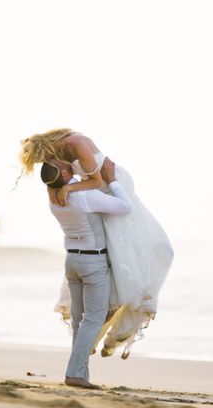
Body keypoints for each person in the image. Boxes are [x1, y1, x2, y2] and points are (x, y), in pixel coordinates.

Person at [20, 128, 174, 359]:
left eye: (46, 159)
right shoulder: (60, 158)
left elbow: (97, 179)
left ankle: (101, 332)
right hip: (98, 195)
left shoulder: (77, 143)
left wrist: (68, 187)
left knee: (155, 249)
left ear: (48, 150)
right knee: (116, 259)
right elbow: (70, 179)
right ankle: (93, 337)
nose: (48, 163)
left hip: (112, 185)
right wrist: (57, 187)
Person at [42, 158, 132, 389]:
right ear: (63, 173)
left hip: (72, 261)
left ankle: (80, 373)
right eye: (62, 162)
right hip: (92, 262)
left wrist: (73, 184)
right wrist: (112, 181)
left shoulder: (54, 198)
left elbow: (69, 182)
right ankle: (74, 373)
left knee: (79, 320)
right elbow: (124, 207)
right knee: (93, 318)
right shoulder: (84, 196)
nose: (67, 160)